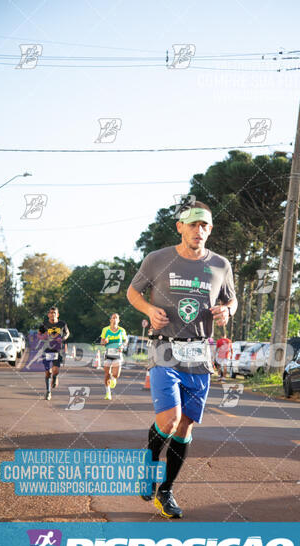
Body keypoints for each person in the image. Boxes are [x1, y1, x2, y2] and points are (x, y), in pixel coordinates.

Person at [127, 199, 237, 518]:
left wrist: (226, 311)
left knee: (185, 426)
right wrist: (149, 309)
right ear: (180, 227)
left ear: (210, 230)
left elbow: (232, 301)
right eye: (193, 224)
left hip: (199, 351)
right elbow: (133, 292)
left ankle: (166, 491)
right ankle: (148, 468)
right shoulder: (157, 259)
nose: (199, 230)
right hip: (165, 347)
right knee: (170, 419)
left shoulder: (220, 265)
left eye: (205, 225)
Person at [38, 307, 70, 401]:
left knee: (55, 370)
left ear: (58, 314)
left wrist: (63, 338)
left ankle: (55, 377)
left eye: (54, 313)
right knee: (48, 372)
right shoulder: (44, 324)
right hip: (47, 349)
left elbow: (67, 333)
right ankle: (48, 392)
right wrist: (43, 337)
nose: (53, 314)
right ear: (48, 314)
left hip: (58, 350)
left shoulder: (62, 324)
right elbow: (39, 334)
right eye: (51, 313)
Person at [100, 313, 128, 400]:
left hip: (117, 354)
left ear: (118, 320)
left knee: (116, 375)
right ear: (110, 320)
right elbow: (102, 343)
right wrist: (105, 341)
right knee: (106, 374)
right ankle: (108, 393)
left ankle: (113, 378)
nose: (115, 319)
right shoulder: (105, 330)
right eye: (113, 318)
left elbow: (125, 341)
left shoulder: (122, 330)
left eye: (116, 318)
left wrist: (122, 346)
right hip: (108, 353)